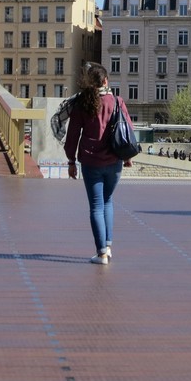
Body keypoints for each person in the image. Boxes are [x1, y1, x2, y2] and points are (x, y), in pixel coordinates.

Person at [63, 63, 132, 265]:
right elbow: (128, 129)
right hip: (114, 160)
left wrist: (70, 161)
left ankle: (101, 252)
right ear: (105, 81)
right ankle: (107, 247)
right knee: (108, 200)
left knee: (96, 205)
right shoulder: (117, 101)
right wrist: (127, 157)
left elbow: (73, 135)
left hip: (91, 161)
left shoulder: (81, 103)